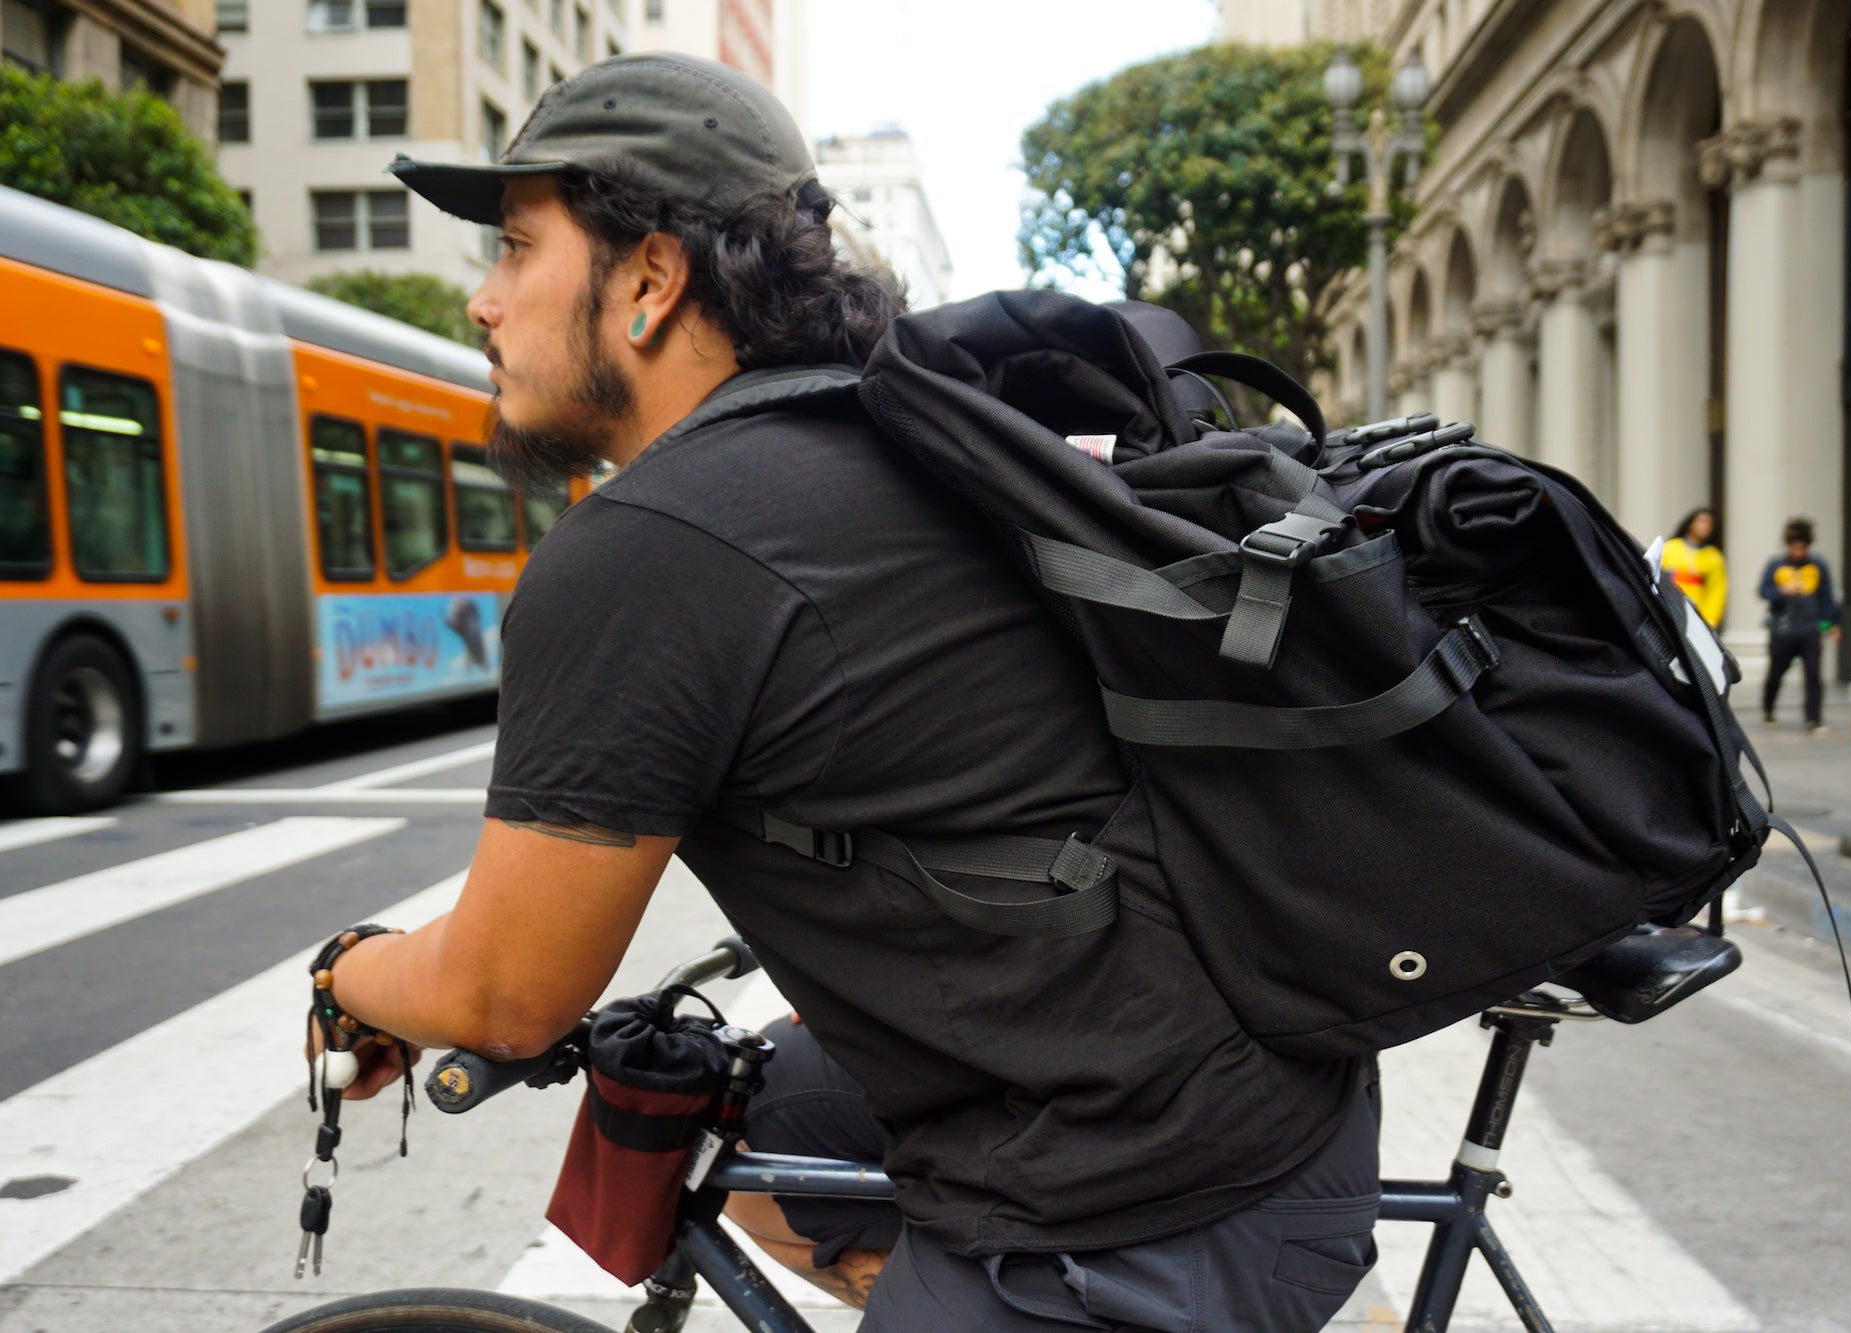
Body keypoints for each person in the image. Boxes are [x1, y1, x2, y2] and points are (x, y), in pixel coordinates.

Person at [306, 54, 1379, 1331]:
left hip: (1147, 1200)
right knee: (755, 1129)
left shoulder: (657, 544)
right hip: (1256, 1081)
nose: (482, 301)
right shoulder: (892, 432)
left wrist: (345, 971)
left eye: (516, 248)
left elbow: (501, 992)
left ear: (648, 280)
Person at [1757, 517, 1841, 735]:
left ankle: (1813, 718)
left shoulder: (1818, 566)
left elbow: (1826, 596)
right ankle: (1768, 708)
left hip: (1809, 629)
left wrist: (1832, 623)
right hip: (1782, 629)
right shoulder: (1776, 566)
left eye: (1802, 548)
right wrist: (1782, 592)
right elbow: (1763, 591)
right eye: (1795, 547)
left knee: (1813, 673)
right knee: (1776, 671)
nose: (1798, 552)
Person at [1661, 507, 1727, 629]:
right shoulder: (1669, 548)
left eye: (1709, 524)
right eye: (1701, 521)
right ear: (1690, 524)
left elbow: (1717, 591)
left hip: (1697, 614)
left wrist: (1710, 619)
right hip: (1669, 609)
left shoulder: (1714, 557)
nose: (1705, 527)